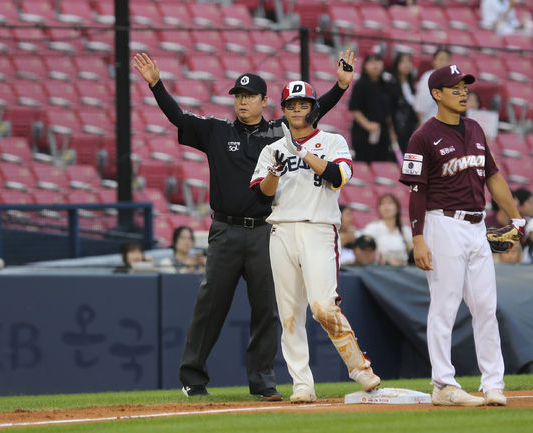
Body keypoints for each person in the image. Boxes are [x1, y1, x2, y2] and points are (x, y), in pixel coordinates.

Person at [132, 50, 356, 400]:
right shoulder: (216, 131)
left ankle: (262, 380)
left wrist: (339, 89)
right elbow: (179, 118)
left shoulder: (278, 133)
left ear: (266, 101)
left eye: (250, 96)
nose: (242, 102)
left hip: (267, 230)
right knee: (211, 303)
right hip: (225, 230)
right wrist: (157, 85)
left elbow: (307, 113)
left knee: (267, 309)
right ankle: (193, 377)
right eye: (238, 95)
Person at [399, 64, 526, 406]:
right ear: (436, 94)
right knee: (445, 306)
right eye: (454, 87)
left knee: (486, 306)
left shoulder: (475, 129)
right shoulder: (423, 136)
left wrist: (517, 219)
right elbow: (415, 191)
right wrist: (418, 238)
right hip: (442, 224)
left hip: (477, 226)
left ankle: (493, 384)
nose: (463, 91)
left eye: (465, 86)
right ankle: (443, 384)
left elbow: (493, 178)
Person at [250, 80, 380, 403]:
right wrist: (274, 174)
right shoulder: (272, 149)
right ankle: (302, 384)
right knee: (289, 313)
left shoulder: (332, 141)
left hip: (319, 228)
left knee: (322, 306)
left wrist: (304, 153)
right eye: (291, 105)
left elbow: (338, 177)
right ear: (284, 110)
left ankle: (359, 368)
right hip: (281, 229)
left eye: (303, 104)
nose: (297, 109)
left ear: (313, 108)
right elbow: (260, 195)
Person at [348, 53, 397, 163]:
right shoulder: (360, 85)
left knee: (382, 162)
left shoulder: (386, 85)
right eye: (371, 62)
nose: (375, 65)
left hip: (383, 133)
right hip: (363, 134)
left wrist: (391, 131)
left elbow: (389, 112)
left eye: (378, 61)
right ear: (365, 65)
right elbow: (354, 109)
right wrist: (368, 125)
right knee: (365, 161)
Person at [362, 193, 412, 266]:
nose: (386, 207)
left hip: (404, 270)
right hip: (380, 269)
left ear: (397, 208)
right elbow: (365, 251)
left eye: (390, 203)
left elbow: (413, 252)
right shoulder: (372, 228)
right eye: (382, 204)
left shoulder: (406, 231)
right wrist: (387, 261)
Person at [389, 52, 419, 154]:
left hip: (411, 129)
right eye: (403, 62)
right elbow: (389, 110)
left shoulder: (412, 84)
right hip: (397, 130)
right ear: (397, 64)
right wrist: (391, 131)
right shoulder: (391, 84)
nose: (407, 64)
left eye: (409, 61)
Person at [413, 48, 452, 125]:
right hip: (428, 124)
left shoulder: (453, 80)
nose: (444, 63)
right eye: (441, 59)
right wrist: (421, 124)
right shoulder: (427, 78)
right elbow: (419, 106)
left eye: (447, 60)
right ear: (434, 61)